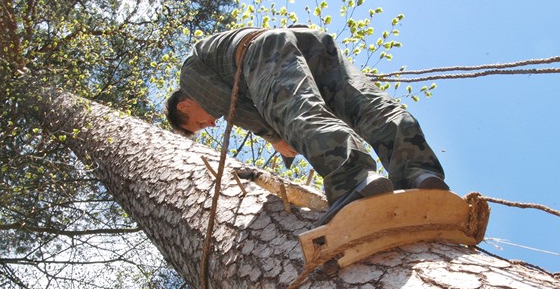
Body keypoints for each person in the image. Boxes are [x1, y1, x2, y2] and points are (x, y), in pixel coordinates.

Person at [166, 26, 448, 225]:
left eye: (200, 124)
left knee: (298, 111)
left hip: (263, 50)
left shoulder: (190, 76)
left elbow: (231, 106)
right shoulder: (210, 63)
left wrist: (273, 136)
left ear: (184, 107)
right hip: (310, 42)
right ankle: (418, 172)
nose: (212, 122)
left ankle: (353, 179)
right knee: (365, 105)